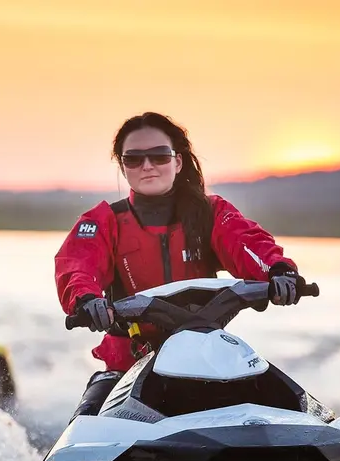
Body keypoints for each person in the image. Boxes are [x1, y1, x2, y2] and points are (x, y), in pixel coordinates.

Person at [55, 112, 304, 422]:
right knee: (84, 427)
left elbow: (249, 243)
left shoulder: (210, 213)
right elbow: (77, 264)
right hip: (128, 366)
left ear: (178, 162)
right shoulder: (103, 221)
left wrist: (278, 271)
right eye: (134, 159)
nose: (147, 166)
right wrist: (86, 298)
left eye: (159, 156)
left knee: (293, 410)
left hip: (207, 362)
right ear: (122, 166)